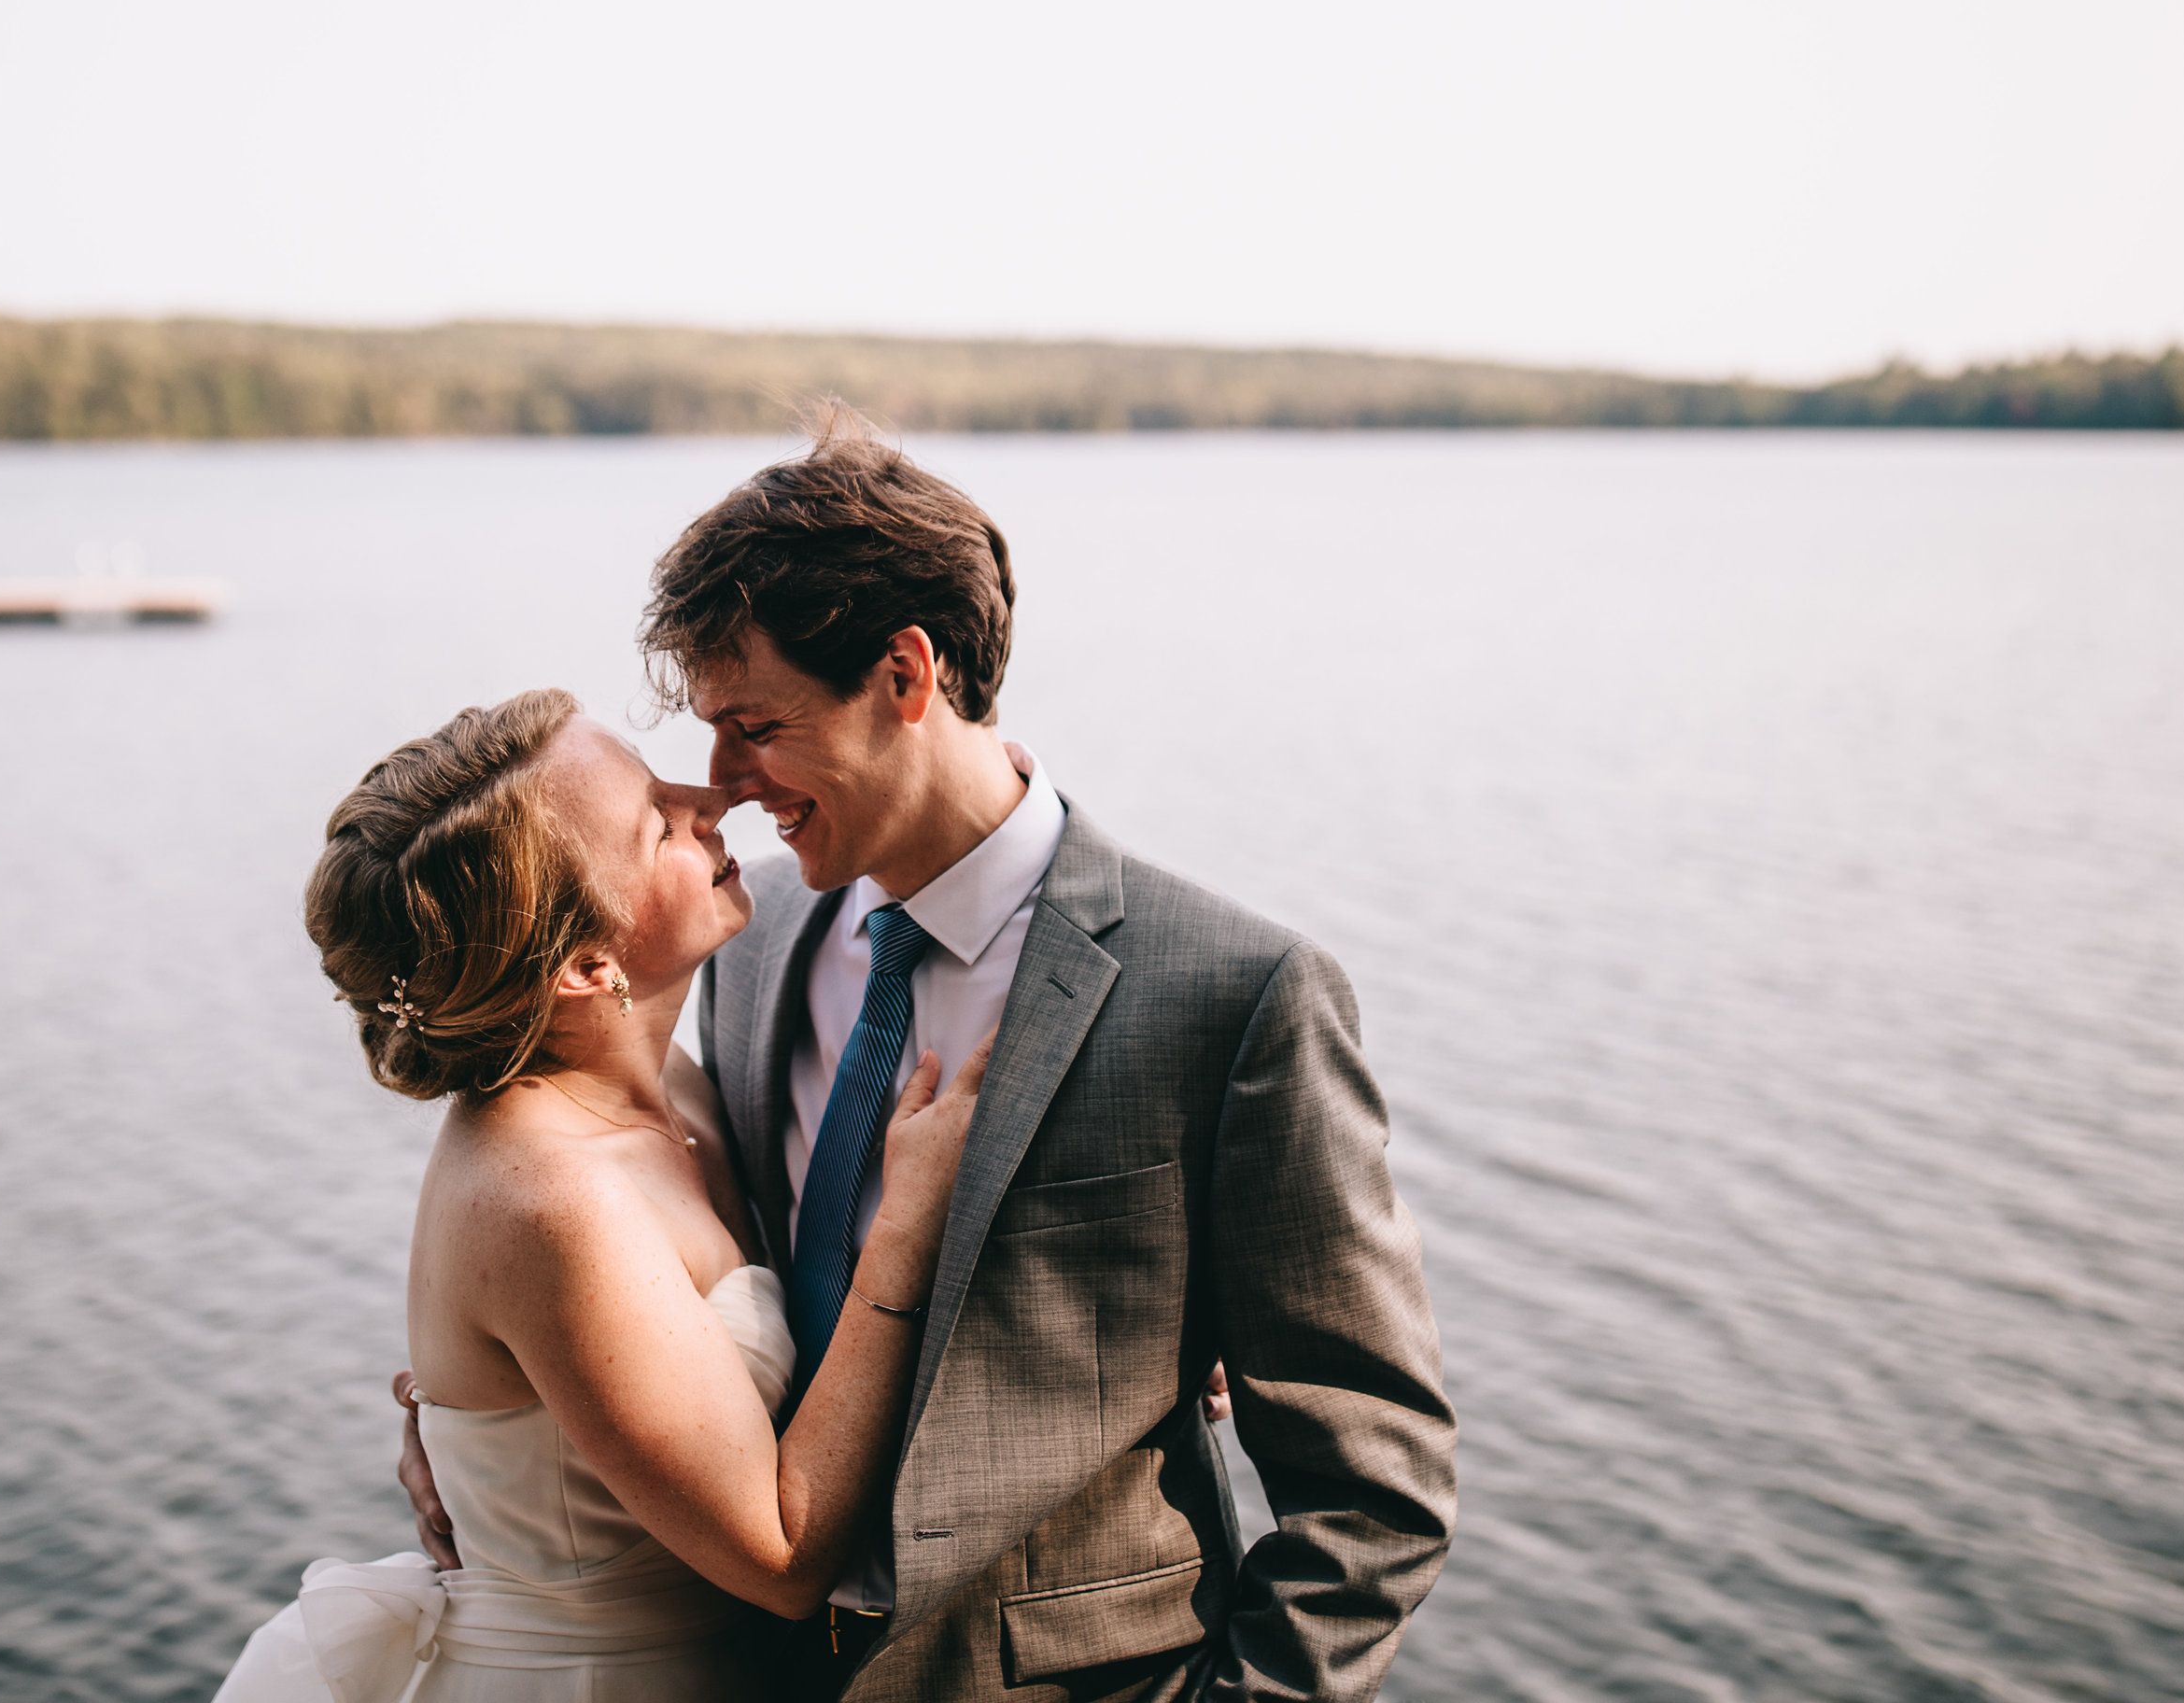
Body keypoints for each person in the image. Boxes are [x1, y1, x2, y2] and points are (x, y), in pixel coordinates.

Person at [400, 418, 1458, 1701]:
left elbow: (1373, 1490)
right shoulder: (742, 946)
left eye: (755, 725)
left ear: (907, 675)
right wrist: (475, 1432)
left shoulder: (1233, 999)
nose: (723, 784)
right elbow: (609, 1253)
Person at [217, 688, 998, 1703]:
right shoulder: (551, 1198)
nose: (707, 797)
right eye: (653, 824)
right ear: (588, 966)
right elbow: (783, 1558)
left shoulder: (664, 1082)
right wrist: (908, 1234)